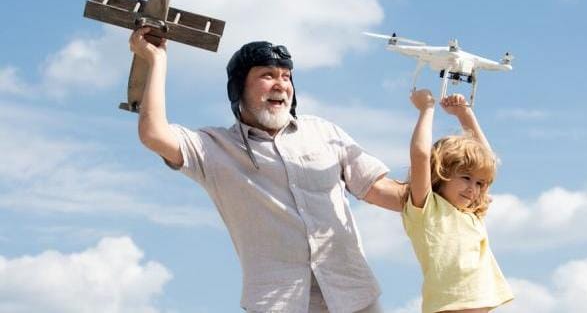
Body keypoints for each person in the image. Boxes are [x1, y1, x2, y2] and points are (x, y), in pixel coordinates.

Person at [128, 27, 405, 313]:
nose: (280, 84)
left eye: (286, 77)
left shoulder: (324, 131)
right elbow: (153, 133)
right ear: (238, 89)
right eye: (267, 75)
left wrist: (445, 183)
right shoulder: (214, 148)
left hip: (354, 297)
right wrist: (156, 60)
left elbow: (383, 191)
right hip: (277, 303)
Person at [402, 89, 513, 313]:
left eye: (479, 184)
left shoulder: (473, 212)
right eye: (465, 177)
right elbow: (420, 155)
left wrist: (465, 115)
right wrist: (427, 108)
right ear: (440, 172)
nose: (473, 188)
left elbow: (487, 165)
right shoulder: (427, 209)